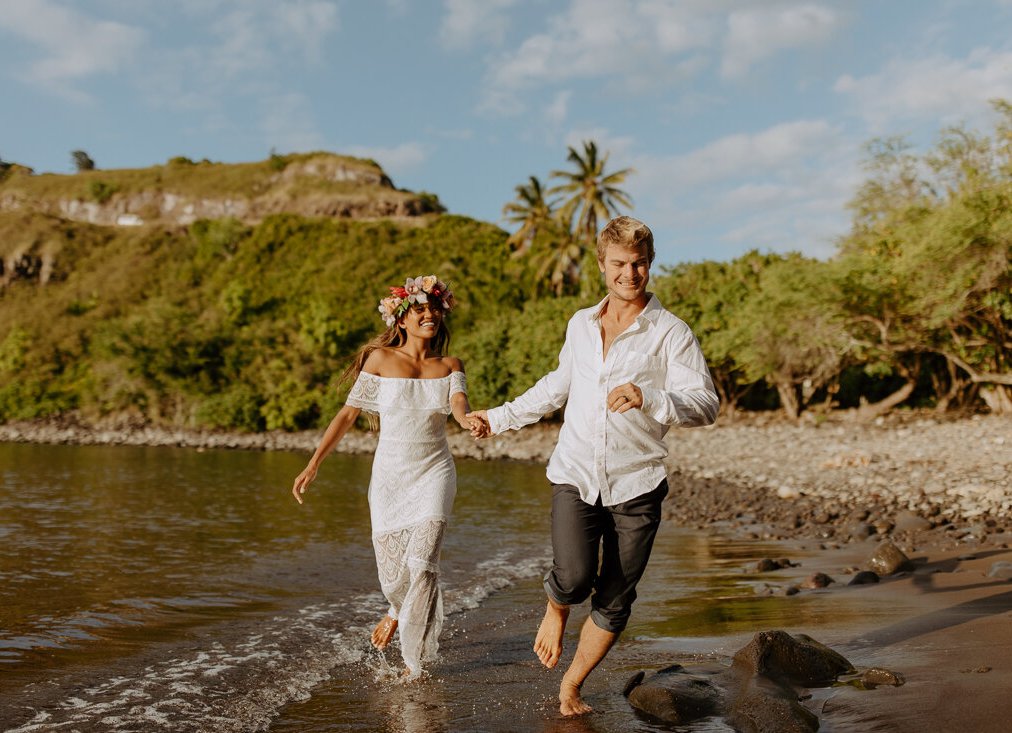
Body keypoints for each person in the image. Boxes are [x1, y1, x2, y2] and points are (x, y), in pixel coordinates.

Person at [467, 217, 719, 716]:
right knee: (575, 575)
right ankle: (557, 607)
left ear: (651, 263)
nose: (631, 273)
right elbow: (555, 387)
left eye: (640, 263)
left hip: (638, 480)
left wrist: (650, 396)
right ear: (602, 265)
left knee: (615, 598)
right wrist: (497, 419)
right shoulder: (580, 323)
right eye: (621, 264)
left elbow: (706, 404)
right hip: (576, 470)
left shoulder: (672, 332)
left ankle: (571, 687)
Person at [292, 275, 486, 678]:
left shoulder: (450, 365)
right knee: (393, 575)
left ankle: (415, 664)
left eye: (434, 309)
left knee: (424, 562)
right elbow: (347, 414)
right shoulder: (379, 361)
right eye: (420, 310)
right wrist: (314, 463)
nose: (429, 315)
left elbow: (458, 404)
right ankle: (397, 609)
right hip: (389, 480)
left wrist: (470, 420)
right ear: (401, 319)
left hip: (434, 473)